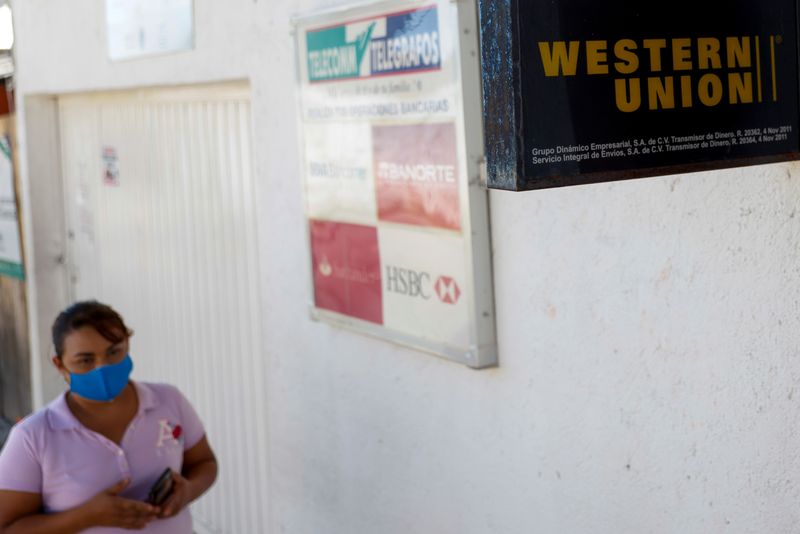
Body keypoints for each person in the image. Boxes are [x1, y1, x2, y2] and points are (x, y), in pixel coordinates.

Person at [0, 301, 218, 533]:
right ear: (60, 365)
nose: (102, 368)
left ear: (127, 346)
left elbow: (204, 463)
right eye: (85, 360)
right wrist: (86, 517)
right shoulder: (34, 436)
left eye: (114, 352)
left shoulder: (168, 401)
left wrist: (188, 491)